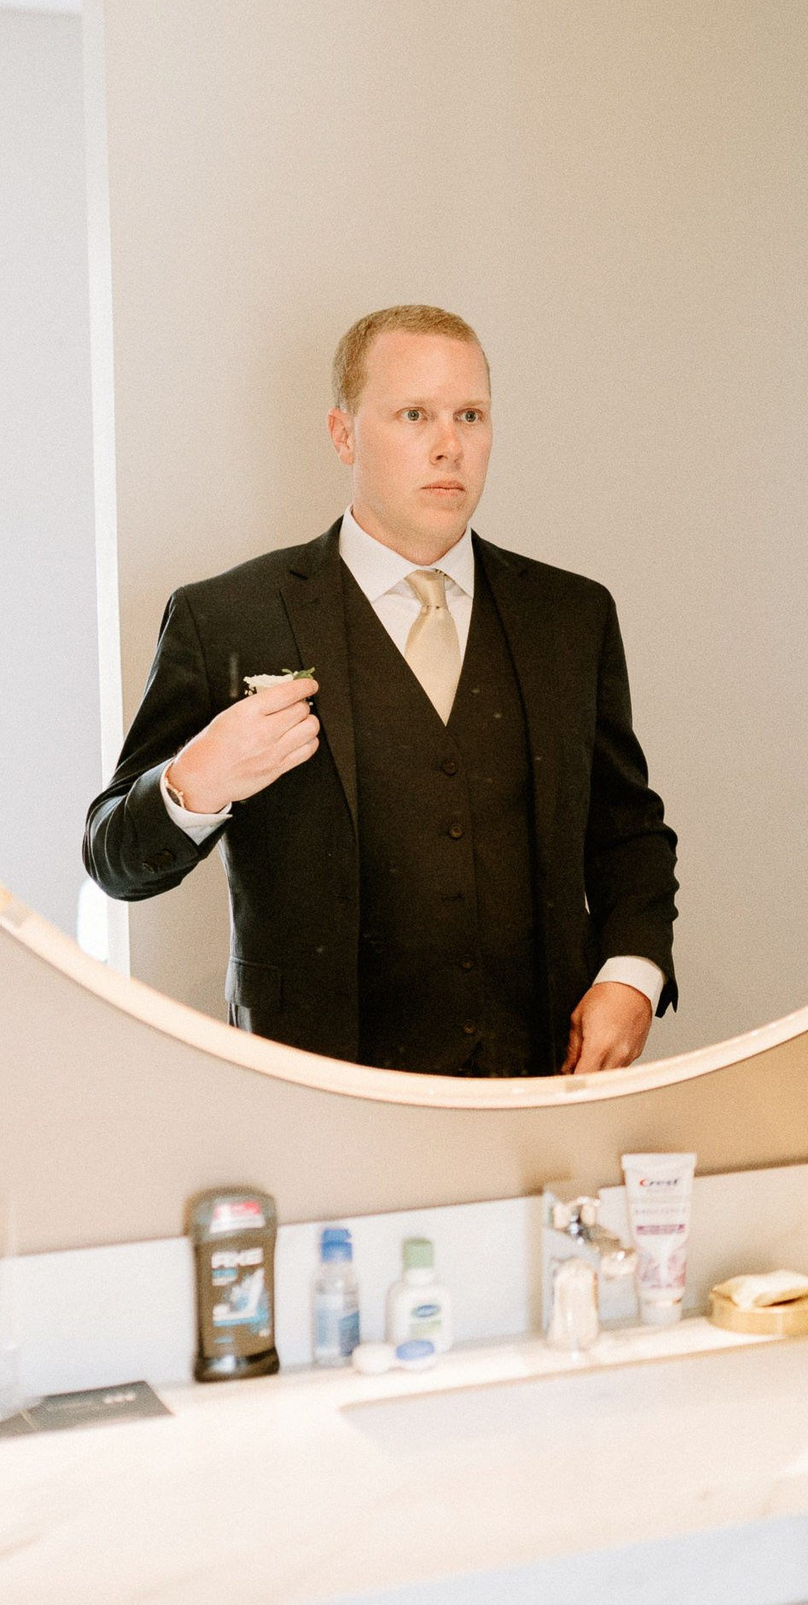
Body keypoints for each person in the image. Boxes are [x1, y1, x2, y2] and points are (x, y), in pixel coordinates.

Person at [85, 304, 676, 1077]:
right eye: (414, 414)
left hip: (541, 1072)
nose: (449, 444)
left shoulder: (571, 616)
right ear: (343, 434)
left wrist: (632, 975)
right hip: (316, 1085)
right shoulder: (227, 615)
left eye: (471, 414)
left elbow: (627, 831)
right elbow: (114, 860)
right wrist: (194, 784)